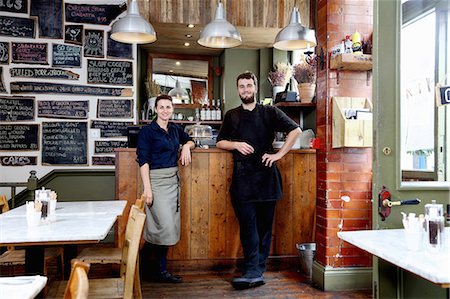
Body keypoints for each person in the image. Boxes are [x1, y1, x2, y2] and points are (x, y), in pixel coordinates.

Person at [216, 71, 301, 290]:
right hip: (242, 177)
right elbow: (219, 142)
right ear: (238, 90)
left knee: (264, 227)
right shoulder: (232, 115)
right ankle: (252, 269)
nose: (245, 90)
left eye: (248, 85)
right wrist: (235, 145)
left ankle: (257, 270)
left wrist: (279, 155)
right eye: (241, 86)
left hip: (266, 175)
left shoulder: (270, 112)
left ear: (255, 87)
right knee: (248, 226)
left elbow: (296, 130)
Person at [137, 94, 195, 283]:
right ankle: (150, 268)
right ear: (155, 110)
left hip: (173, 181)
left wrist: (186, 146)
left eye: (168, 107)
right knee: (164, 227)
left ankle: (148, 269)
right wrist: (148, 189)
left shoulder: (175, 129)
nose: (164, 110)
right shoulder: (148, 132)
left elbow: (190, 140)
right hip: (156, 182)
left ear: (172, 109)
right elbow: (143, 161)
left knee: (164, 228)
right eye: (161, 107)